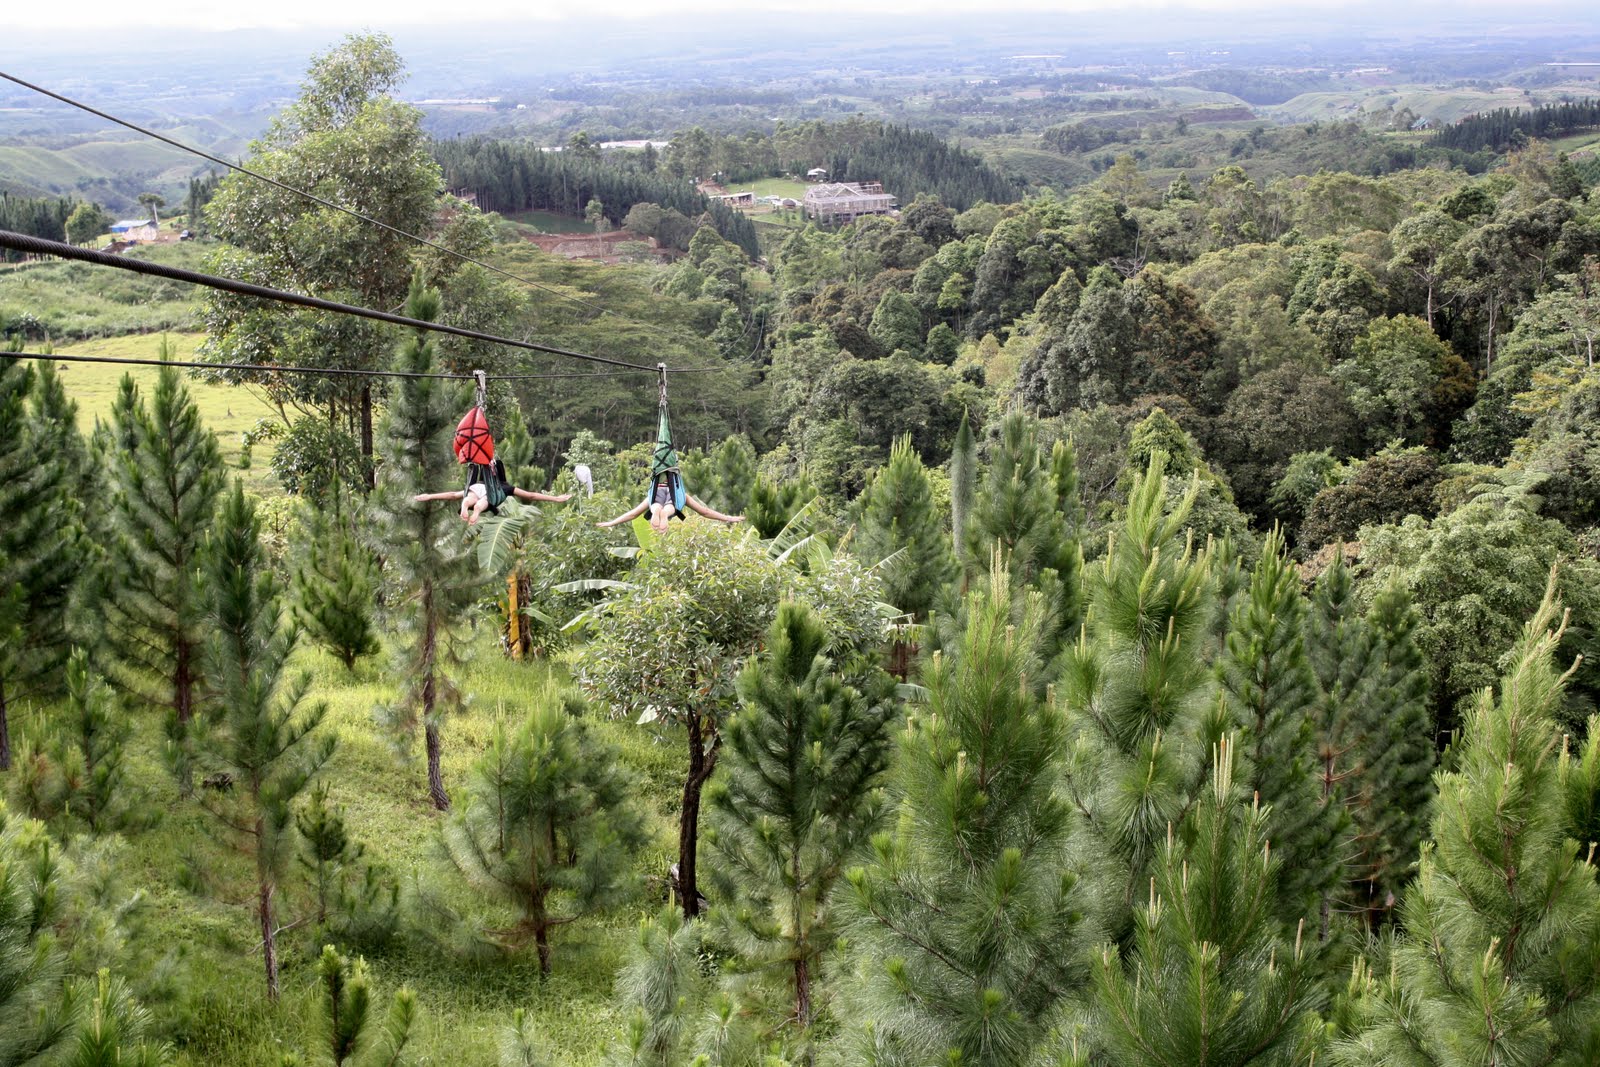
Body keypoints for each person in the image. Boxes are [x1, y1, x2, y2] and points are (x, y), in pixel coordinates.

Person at [415, 458, 572, 525]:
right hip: (491, 496)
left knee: (468, 498)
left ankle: (466, 507)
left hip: (480, 490)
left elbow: (452, 495)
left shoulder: (481, 482)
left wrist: (429, 496)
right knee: (480, 503)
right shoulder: (507, 488)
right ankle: (474, 512)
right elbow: (531, 495)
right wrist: (555, 498)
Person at [597, 473, 744, 533]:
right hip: (675, 498)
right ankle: (664, 513)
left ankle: (656, 511)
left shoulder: (655, 490)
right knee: (669, 508)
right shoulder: (682, 495)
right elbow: (705, 512)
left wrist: (612, 522)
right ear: (676, 482)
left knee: (655, 505)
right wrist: (728, 518)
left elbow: (633, 514)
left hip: (657, 493)